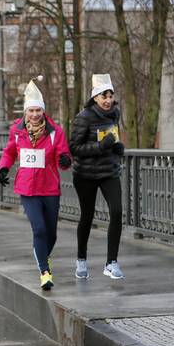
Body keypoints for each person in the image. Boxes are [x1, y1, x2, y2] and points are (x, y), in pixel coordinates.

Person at [0, 79, 72, 290]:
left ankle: (42, 256)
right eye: (31, 110)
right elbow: (10, 151)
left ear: (43, 111)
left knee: (52, 233)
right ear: (25, 112)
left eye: (39, 110)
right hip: (28, 188)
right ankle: (45, 272)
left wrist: (65, 159)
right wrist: (3, 167)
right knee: (38, 229)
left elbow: (62, 154)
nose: (35, 114)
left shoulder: (55, 131)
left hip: (49, 188)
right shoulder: (17, 131)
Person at [70, 73, 126, 280]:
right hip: (85, 174)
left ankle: (111, 263)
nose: (108, 100)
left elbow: (114, 136)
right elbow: (74, 148)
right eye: (104, 96)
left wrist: (118, 147)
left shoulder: (114, 114)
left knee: (117, 211)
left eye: (110, 96)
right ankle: (81, 259)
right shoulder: (83, 117)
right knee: (87, 216)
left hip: (109, 171)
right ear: (95, 98)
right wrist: (101, 146)